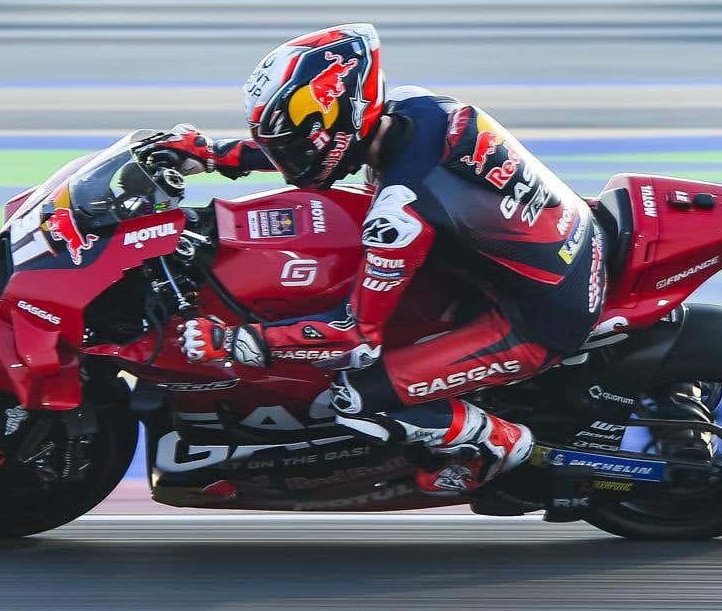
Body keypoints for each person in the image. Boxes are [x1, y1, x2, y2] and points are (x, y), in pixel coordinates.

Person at [152, 24, 606, 495]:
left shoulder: (399, 213)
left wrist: (236, 340)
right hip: (553, 246)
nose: (287, 158)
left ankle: (498, 448)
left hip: (537, 318)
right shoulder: (414, 108)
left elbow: (353, 338)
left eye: (292, 143)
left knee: (356, 396)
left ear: (343, 120)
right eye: (280, 144)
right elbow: (328, 146)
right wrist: (215, 155)